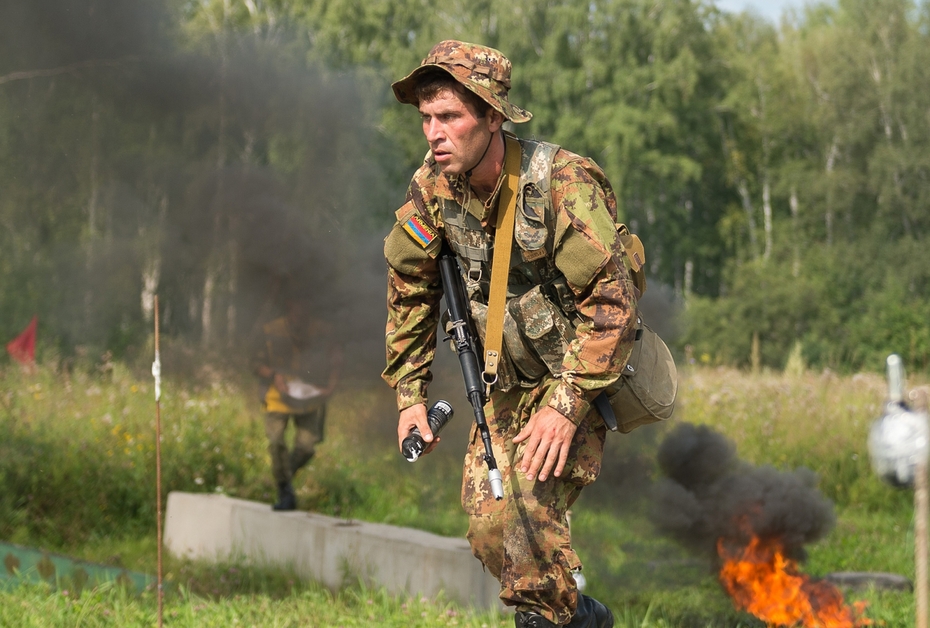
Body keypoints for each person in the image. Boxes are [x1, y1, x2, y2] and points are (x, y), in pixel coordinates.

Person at [382, 40, 639, 628]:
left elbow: (613, 304)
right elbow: (411, 289)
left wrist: (568, 407)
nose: (433, 133)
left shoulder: (561, 185)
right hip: (505, 382)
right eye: (426, 117)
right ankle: (583, 620)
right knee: (490, 529)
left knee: (523, 522)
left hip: (580, 373)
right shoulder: (431, 189)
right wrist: (410, 397)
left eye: (450, 116)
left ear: (493, 117)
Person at [253, 292, 342, 511]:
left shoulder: (321, 331)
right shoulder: (271, 330)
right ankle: (285, 491)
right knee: (276, 442)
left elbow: (336, 359)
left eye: (306, 303)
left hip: (309, 396)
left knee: (307, 446)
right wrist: (274, 376)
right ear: (290, 304)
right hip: (278, 395)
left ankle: (284, 478)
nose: (301, 309)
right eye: (297, 303)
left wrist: (331, 385)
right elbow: (255, 363)